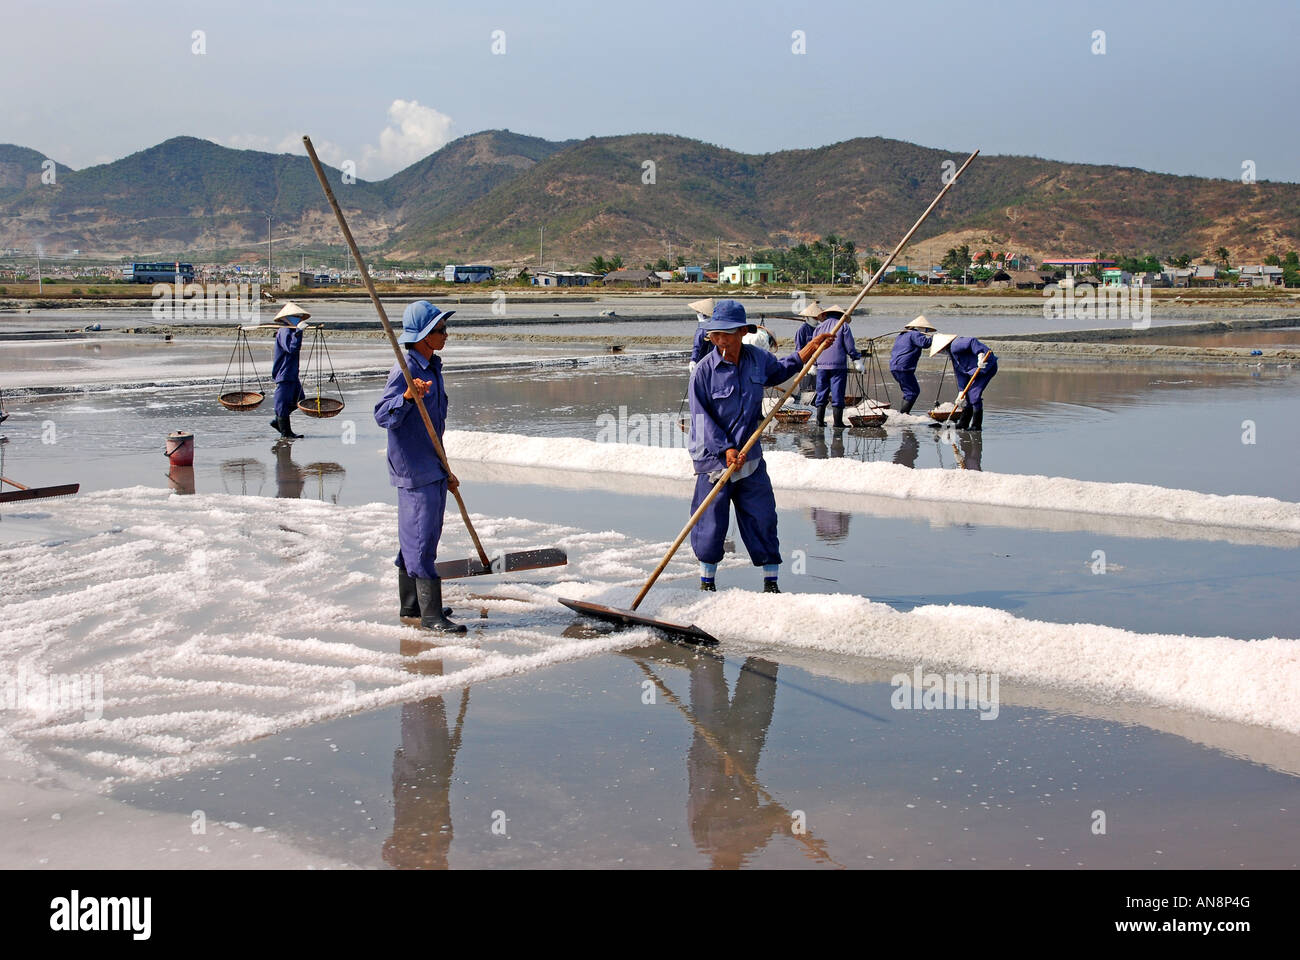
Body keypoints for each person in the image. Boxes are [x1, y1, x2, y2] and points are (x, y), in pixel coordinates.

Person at [688, 300, 832, 593]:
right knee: (711, 524)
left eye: (727, 333)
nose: (720, 339)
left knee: (762, 517)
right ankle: (707, 583)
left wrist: (811, 349)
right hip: (714, 459)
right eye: (716, 334)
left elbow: (780, 371)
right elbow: (700, 418)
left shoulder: (757, 359)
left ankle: (770, 584)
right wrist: (724, 449)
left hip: (749, 455)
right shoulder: (704, 371)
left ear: (743, 331)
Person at [374, 301, 464, 634]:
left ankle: (413, 604)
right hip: (414, 469)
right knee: (422, 538)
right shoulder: (406, 369)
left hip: (432, 463)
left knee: (416, 535)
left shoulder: (432, 366)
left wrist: (445, 467)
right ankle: (431, 616)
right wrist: (407, 398)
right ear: (425, 336)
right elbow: (383, 415)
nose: (446, 335)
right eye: (441, 330)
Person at [930, 332, 998, 431]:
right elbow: (960, 374)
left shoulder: (955, 345)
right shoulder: (953, 357)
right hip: (974, 372)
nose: (940, 352)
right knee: (968, 396)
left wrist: (980, 355)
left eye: (939, 350)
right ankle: (963, 423)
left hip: (986, 368)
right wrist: (961, 392)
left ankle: (976, 425)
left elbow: (972, 341)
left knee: (974, 395)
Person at [810, 305, 865, 428]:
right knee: (837, 392)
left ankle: (819, 421)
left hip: (821, 365)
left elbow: (814, 346)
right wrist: (856, 359)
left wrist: (813, 364)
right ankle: (838, 422)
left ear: (827, 315)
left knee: (821, 392)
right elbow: (850, 346)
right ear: (841, 315)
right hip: (838, 365)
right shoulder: (844, 326)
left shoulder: (819, 328)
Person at [270, 302, 311, 438]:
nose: (298, 318)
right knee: (282, 402)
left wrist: (298, 332)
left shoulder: (291, 331)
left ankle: (279, 422)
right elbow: (291, 348)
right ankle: (285, 432)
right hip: (284, 373)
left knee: (299, 399)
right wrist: (298, 332)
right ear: (287, 318)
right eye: (296, 316)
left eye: (299, 317)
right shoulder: (285, 331)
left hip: (292, 372)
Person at [889, 315, 936, 415]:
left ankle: (904, 413)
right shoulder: (915, 334)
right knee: (913, 391)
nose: (926, 332)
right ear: (921, 328)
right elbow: (925, 343)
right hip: (904, 367)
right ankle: (904, 414)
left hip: (895, 366)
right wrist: (935, 338)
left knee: (909, 391)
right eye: (926, 330)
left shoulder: (902, 334)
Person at [687, 297, 715, 375]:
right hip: (713, 362)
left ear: (703, 315)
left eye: (698, 312)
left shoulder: (702, 330)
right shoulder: (716, 328)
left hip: (703, 364)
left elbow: (697, 347)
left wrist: (693, 360)